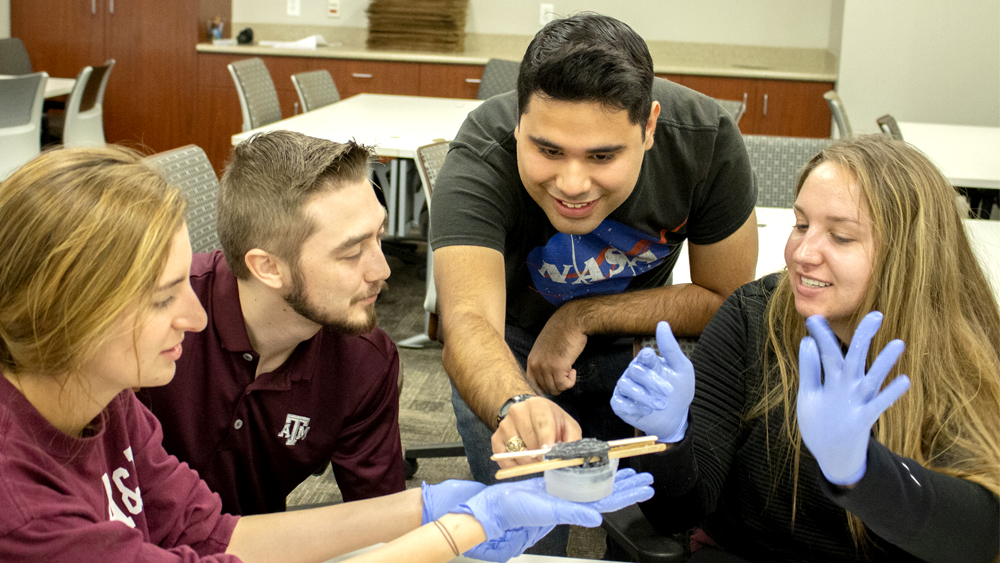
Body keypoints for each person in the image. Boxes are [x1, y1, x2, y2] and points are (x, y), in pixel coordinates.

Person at [0, 146, 655, 562]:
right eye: (163, 295)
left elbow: (218, 535)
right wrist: (457, 532)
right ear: (74, 313)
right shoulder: (21, 507)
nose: (194, 315)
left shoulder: (105, 402)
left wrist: (430, 506)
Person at [612, 135, 1000, 562]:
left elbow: (981, 539)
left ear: (907, 254)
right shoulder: (754, 316)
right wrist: (669, 440)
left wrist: (863, 472)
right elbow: (678, 515)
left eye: (842, 237)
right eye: (801, 224)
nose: (802, 252)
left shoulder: (962, 352)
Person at [430, 11, 758, 495]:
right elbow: (468, 320)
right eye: (549, 151)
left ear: (648, 128)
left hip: (637, 338)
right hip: (510, 340)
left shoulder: (705, 141)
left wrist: (581, 316)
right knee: (530, 522)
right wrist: (517, 404)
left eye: (602, 157)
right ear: (520, 124)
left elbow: (725, 300)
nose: (572, 185)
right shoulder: (483, 149)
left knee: (655, 517)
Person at [137, 131, 405, 515]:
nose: (383, 270)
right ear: (268, 267)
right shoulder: (153, 324)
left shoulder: (365, 361)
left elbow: (379, 521)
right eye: (350, 253)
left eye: (379, 237)